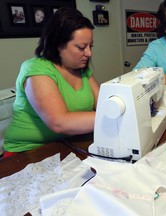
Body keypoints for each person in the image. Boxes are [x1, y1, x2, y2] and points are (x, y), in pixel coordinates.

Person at [2, 7, 100, 158]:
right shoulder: (36, 69)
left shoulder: (82, 70)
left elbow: (103, 105)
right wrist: (111, 117)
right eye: (81, 47)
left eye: (90, 46)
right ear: (58, 45)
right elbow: (59, 122)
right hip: (27, 152)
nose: (89, 53)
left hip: (67, 144)